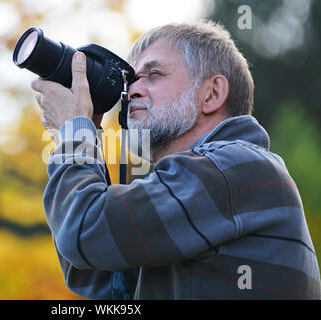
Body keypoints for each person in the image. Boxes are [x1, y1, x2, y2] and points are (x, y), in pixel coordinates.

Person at [31, 21, 321, 299]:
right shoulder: (199, 184)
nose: (132, 90)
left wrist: (74, 134)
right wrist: (83, 132)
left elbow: (85, 234)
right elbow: (96, 271)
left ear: (213, 93)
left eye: (153, 74)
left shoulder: (237, 167)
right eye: (130, 80)